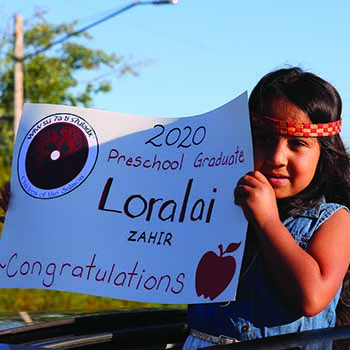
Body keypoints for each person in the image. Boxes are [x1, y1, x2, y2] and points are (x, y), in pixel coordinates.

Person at [183, 66, 350, 349]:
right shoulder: (215, 208)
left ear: (324, 154)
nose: (276, 157)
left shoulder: (333, 220)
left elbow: (311, 298)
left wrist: (267, 221)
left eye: (297, 144)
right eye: (264, 138)